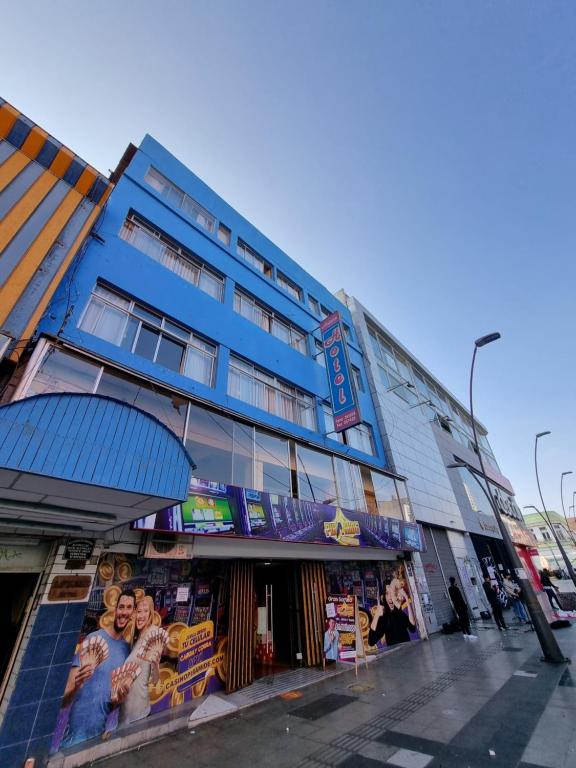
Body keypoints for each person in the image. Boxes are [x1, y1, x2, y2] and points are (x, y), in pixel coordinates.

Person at [61, 589, 136, 747]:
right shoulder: (93, 639)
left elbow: (110, 704)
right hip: (73, 739)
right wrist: (77, 687)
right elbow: (64, 701)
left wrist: (118, 701)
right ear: (115, 609)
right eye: (121, 607)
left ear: (133, 612)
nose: (124, 612)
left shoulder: (126, 651)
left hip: (98, 738)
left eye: (129, 607)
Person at [119, 596, 161, 726]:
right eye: (139, 611)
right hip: (126, 712)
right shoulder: (135, 637)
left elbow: (155, 680)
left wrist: (156, 663)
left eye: (145, 611)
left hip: (139, 713)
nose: (141, 615)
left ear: (150, 614)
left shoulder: (153, 633)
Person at [368, 581, 416, 647]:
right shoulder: (384, 617)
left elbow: (412, 628)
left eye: (393, 594)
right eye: (387, 594)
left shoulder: (400, 613)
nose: (390, 598)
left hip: (408, 651)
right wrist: (376, 615)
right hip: (395, 655)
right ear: (384, 597)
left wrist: (407, 599)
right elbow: (371, 641)